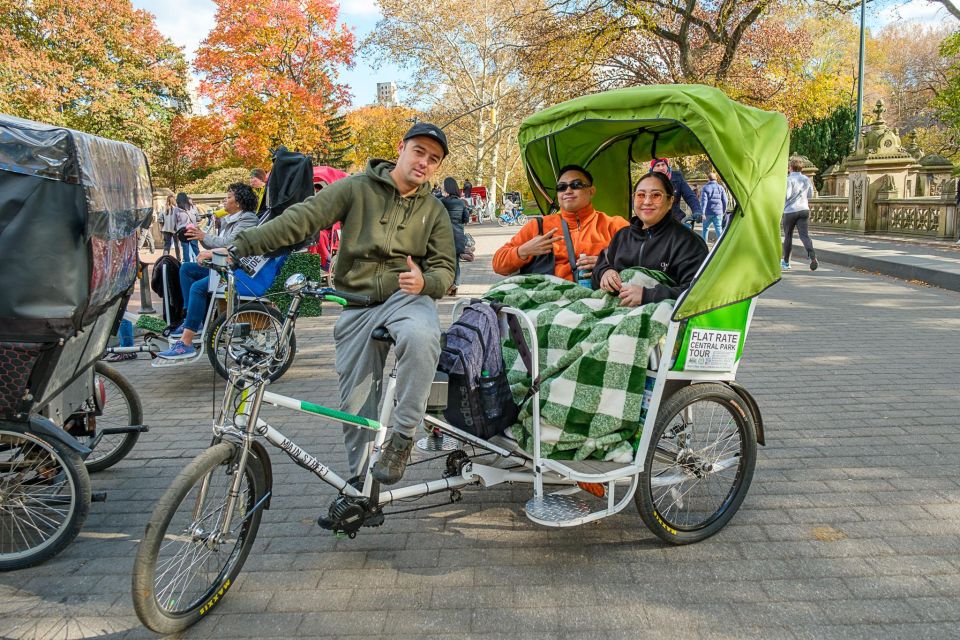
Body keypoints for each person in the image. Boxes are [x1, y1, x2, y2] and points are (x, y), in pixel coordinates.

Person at [225, 122, 455, 490]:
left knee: (422, 336)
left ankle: (403, 437)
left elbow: (445, 266)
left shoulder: (434, 210)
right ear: (401, 147)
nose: (424, 162)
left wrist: (427, 282)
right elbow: (302, 219)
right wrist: (242, 244)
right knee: (356, 404)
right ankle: (360, 486)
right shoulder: (355, 188)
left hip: (406, 297)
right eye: (419, 151)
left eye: (434, 159)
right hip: (356, 304)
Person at [156, 183, 260, 360]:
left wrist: (204, 240)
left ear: (239, 202)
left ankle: (186, 342)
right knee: (187, 269)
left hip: (236, 271)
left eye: (228, 197)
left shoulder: (248, 219)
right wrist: (200, 235)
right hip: (224, 267)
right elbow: (219, 242)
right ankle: (192, 318)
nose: (225, 201)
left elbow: (231, 245)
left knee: (198, 287)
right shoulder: (232, 219)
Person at [492, 165, 628, 283]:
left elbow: (643, 260)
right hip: (547, 302)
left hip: (600, 301)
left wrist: (607, 263)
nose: (568, 191)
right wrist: (523, 251)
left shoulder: (614, 225)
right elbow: (498, 264)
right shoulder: (538, 226)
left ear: (591, 191)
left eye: (576, 185)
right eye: (561, 187)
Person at [592, 171, 708, 305]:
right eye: (641, 195)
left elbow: (698, 292)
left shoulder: (689, 243)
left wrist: (647, 295)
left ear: (670, 201)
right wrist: (605, 273)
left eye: (656, 195)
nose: (647, 201)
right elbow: (602, 267)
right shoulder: (622, 236)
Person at [782, 158, 818, 271]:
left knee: (788, 235)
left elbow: (786, 196)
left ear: (790, 168)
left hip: (790, 211)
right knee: (804, 236)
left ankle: (786, 262)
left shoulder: (789, 180)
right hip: (803, 210)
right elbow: (811, 195)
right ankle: (812, 256)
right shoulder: (806, 179)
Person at [439, 176, 470, 295]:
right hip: (458, 237)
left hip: (444, 237)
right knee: (456, 262)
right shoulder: (461, 202)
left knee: (444, 262)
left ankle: (448, 285)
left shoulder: (441, 201)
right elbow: (465, 219)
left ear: (446, 187)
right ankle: (455, 286)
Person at [651, 158, 702, 228]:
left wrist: (697, 210)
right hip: (655, 221)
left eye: (663, 164)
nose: (661, 168)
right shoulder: (647, 180)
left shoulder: (677, 177)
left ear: (667, 166)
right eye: (657, 165)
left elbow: (689, 195)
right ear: (652, 168)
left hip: (675, 218)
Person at [699, 172, 727, 241]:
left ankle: (704, 245)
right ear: (716, 179)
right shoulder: (721, 188)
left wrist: (702, 213)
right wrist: (723, 211)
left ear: (708, 179)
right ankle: (721, 245)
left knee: (705, 229)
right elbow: (725, 200)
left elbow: (704, 202)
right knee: (718, 228)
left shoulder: (705, 188)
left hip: (707, 213)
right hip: (718, 212)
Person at [176, 192, 200, 261]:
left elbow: (175, 221)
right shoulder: (193, 207)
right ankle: (201, 264)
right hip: (193, 230)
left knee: (185, 250)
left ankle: (187, 265)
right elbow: (198, 218)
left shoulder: (176, 209)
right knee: (196, 249)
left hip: (182, 231)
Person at [160, 194, 181, 260]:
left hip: (166, 229)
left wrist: (162, 227)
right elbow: (179, 219)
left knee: (167, 245)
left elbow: (160, 219)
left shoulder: (163, 208)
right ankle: (178, 259)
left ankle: (164, 259)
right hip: (175, 229)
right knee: (177, 245)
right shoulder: (177, 209)